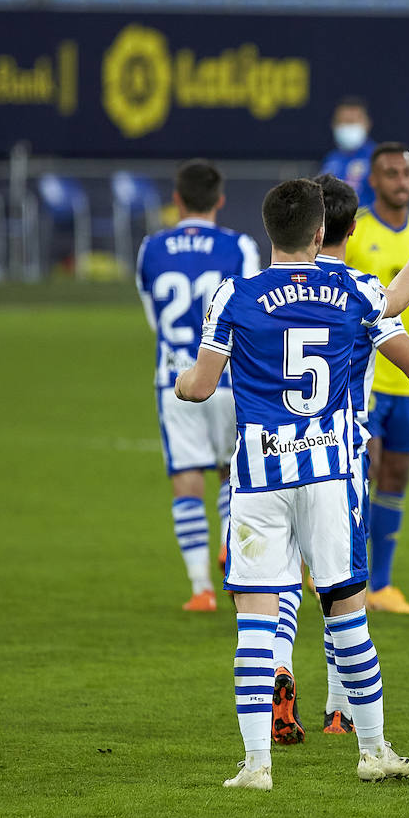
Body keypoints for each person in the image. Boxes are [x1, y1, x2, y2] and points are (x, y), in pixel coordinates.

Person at [174, 177, 409, 790]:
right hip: (330, 474)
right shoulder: (355, 289)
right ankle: (373, 750)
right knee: (348, 616)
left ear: (268, 231)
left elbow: (199, 388)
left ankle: (256, 766)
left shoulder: (234, 294)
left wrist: (180, 382)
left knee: (255, 623)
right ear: (318, 232)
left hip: (257, 480)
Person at [270, 174, 409, 743]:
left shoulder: (259, 288)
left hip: (269, 457)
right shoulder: (361, 291)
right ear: (351, 229)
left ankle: (277, 667)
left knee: (277, 580)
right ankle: (339, 709)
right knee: (341, 585)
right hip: (338, 459)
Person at [136, 159, 260, 612]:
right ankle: (232, 551)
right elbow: (248, 307)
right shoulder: (240, 246)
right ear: (220, 200)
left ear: (177, 199)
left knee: (187, 480)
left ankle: (200, 589)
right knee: (233, 473)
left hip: (175, 379)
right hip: (229, 376)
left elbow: (154, 315)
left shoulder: (151, 248)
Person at [345, 142, 409, 615]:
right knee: (365, 471)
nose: (401, 181)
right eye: (390, 173)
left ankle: (382, 585)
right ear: (374, 179)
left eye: (406, 172)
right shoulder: (358, 232)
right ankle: (350, 576)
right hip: (367, 376)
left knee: (397, 477)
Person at [318, 96, 376, 210]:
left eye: (352, 122)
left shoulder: (377, 157)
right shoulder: (331, 159)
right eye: (343, 122)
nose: (348, 127)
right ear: (334, 125)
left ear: (367, 124)